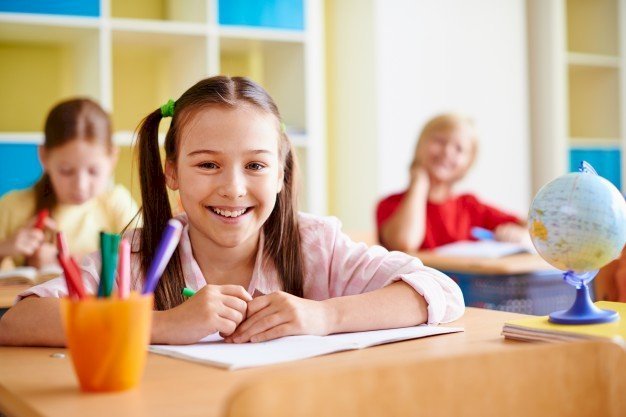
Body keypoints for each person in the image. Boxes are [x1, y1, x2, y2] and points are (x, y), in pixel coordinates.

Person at [0, 76, 463, 347]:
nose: (233, 188)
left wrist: (325, 317)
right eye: (207, 164)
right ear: (173, 172)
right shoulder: (134, 258)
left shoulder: (314, 245)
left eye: (256, 164)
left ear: (281, 173)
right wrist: (164, 325)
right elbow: (20, 320)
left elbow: (440, 291)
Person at [0, 98, 138, 269]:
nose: (80, 185)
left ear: (112, 158)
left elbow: (146, 258)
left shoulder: (117, 203)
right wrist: (5, 248)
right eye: (66, 171)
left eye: (93, 171)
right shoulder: (12, 206)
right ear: (44, 157)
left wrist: (65, 261)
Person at [377, 113, 528, 252]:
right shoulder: (390, 205)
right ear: (419, 146)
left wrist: (518, 234)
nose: (447, 151)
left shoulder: (470, 206)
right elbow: (405, 242)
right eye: (440, 141)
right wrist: (419, 183)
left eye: (459, 149)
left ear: (468, 164)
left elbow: (530, 225)